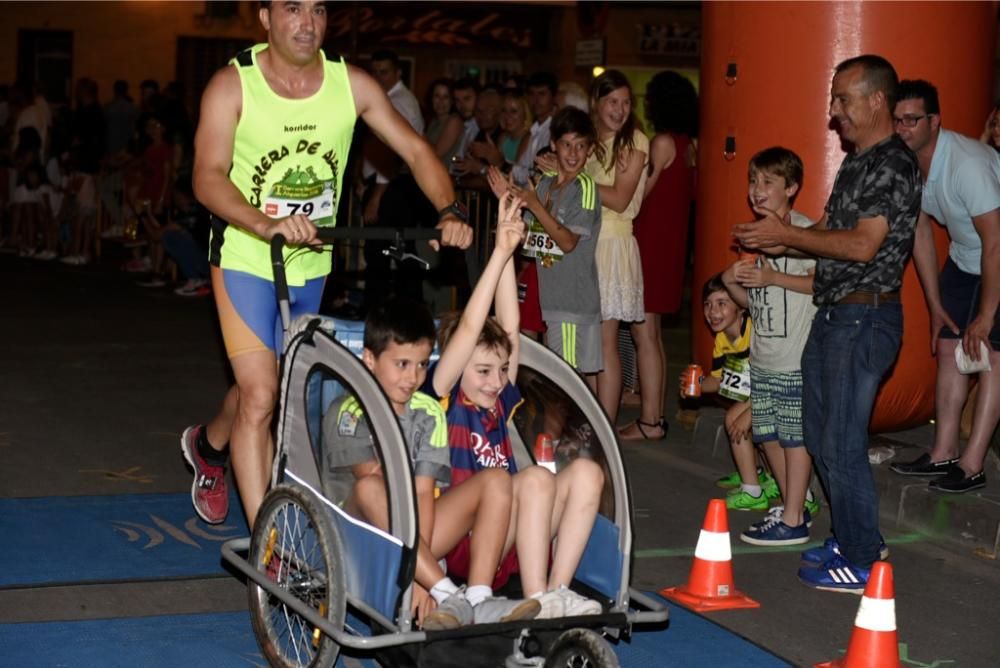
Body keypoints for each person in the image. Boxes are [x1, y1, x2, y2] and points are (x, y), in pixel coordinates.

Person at [180, 0, 472, 529]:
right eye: (292, 8)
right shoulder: (232, 85)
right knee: (264, 393)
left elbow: (414, 149)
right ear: (266, 17)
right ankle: (272, 547)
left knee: (265, 385)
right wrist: (263, 222)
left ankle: (209, 445)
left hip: (311, 261)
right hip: (246, 254)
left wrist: (448, 209)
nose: (306, 23)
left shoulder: (351, 84)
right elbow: (207, 176)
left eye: (317, 10)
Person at [734, 54, 921, 592]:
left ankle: (863, 559)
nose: (833, 112)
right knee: (818, 432)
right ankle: (852, 536)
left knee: (839, 439)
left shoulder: (891, 162)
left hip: (864, 314)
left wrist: (788, 237)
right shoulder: (860, 161)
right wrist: (782, 231)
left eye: (842, 99)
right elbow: (831, 230)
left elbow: (863, 244)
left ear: (876, 100)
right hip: (836, 312)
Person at [423, 191, 605, 619]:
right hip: (465, 538)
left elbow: (511, 327)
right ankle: (538, 595)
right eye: (484, 371)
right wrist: (497, 254)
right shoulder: (444, 395)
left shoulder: (499, 400)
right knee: (537, 480)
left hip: (505, 537)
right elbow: (471, 325)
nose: (497, 380)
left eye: (502, 370)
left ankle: (557, 590)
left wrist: (508, 244)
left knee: (587, 473)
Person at [322, 280, 540, 629]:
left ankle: (477, 598)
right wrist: (424, 577)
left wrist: (424, 564)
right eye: (403, 364)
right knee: (371, 487)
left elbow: (423, 491)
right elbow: (375, 484)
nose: (414, 377)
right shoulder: (347, 412)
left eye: (422, 365)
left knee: (498, 480)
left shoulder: (428, 412)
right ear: (369, 360)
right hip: (363, 531)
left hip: (413, 537)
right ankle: (446, 593)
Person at [889, 79, 1000, 493]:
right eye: (897, 120)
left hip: (996, 253)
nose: (902, 129)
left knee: (990, 355)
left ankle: (973, 465)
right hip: (966, 258)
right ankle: (943, 453)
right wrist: (935, 304)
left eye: (911, 120)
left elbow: (996, 242)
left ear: (934, 122)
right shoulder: (909, 163)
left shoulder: (967, 164)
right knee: (951, 346)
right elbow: (918, 231)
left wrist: (987, 316)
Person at [721, 147, 820, 544]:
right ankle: (791, 502)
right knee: (767, 435)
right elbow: (756, 303)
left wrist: (773, 279)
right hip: (763, 358)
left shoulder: (805, 231)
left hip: (795, 358)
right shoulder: (756, 237)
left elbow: (820, 284)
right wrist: (731, 281)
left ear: (791, 188)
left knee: (795, 437)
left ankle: (794, 517)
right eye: (753, 182)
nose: (757, 191)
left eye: (768, 183)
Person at [487, 107, 603, 385]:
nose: (573, 154)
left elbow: (568, 242)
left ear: (590, 150)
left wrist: (536, 205)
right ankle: (569, 430)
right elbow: (529, 239)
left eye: (580, 146)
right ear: (554, 145)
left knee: (568, 383)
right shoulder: (545, 184)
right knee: (562, 382)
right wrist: (510, 202)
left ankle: (573, 430)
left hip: (572, 302)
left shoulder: (583, 187)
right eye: (566, 145)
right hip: (552, 300)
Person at [619, 70, 698, 441]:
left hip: (650, 245)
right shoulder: (688, 145)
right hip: (669, 247)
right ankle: (655, 415)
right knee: (653, 336)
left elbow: (638, 194)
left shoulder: (663, 142)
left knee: (644, 336)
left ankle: (651, 422)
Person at [584, 70, 648, 426]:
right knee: (587, 344)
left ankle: (603, 426)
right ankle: (590, 418)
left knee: (605, 341)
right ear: (596, 103)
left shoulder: (635, 141)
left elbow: (621, 199)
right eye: (613, 102)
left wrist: (573, 177)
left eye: (626, 103)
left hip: (612, 245)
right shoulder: (589, 143)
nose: (620, 110)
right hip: (585, 245)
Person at [680, 275, 772, 511]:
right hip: (756, 392)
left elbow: (769, 378)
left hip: (773, 389)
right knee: (736, 414)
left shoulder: (753, 331)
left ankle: (753, 491)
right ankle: (756, 473)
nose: (713, 311)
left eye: (722, 303)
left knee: (734, 418)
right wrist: (698, 385)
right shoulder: (722, 338)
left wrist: (750, 411)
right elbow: (721, 380)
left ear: (741, 307)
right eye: (708, 304)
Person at [510, 71, 558, 186]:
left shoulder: (557, 130)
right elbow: (518, 173)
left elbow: (542, 174)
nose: (536, 100)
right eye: (532, 94)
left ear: (553, 96)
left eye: (542, 94)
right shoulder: (531, 132)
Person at [424, 78, 464, 165]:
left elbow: (436, 152)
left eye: (446, 97)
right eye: (437, 96)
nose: (440, 101)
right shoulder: (434, 121)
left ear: (452, 101)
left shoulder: (454, 121)